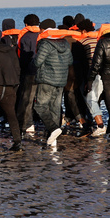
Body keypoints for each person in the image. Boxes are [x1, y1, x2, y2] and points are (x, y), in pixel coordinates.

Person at [32, 19, 72, 148]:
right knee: (55, 108)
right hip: (61, 80)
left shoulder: (45, 43)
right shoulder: (65, 42)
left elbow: (37, 62)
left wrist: (32, 61)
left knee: (40, 106)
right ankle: (53, 139)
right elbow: (70, 61)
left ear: (44, 30)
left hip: (46, 79)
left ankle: (53, 129)